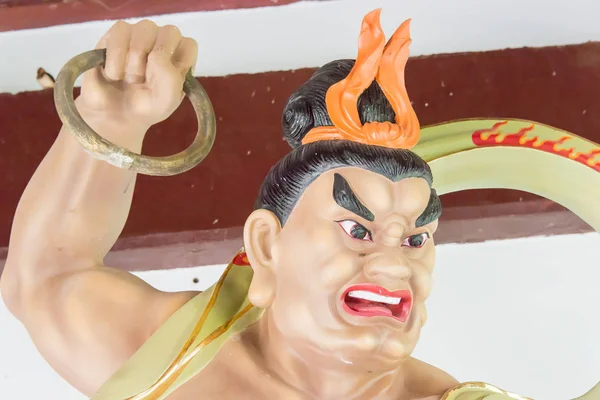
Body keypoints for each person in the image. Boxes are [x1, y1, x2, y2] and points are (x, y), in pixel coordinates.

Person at [2, 8, 599, 400]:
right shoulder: (176, 357)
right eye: (357, 230)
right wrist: (111, 125)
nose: (395, 266)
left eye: (415, 239)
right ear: (267, 244)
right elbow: (44, 278)